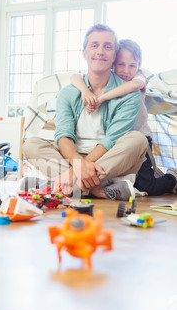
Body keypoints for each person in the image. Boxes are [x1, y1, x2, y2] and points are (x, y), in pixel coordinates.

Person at [21, 24, 148, 201]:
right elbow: (63, 135)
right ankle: (97, 189)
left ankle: (60, 183)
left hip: (109, 158)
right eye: (94, 45)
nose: (100, 51)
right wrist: (78, 162)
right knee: (31, 144)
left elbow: (112, 139)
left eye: (107, 46)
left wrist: (76, 170)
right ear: (84, 53)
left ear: (114, 55)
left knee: (138, 140)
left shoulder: (129, 94)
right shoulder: (68, 92)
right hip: (73, 157)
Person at [71, 39, 177, 195]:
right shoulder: (109, 77)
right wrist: (86, 92)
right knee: (118, 174)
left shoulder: (138, 78)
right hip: (115, 140)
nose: (126, 70)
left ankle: (172, 177)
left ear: (138, 66)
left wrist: (101, 98)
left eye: (132, 65)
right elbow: (75, 77)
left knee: (145, 186)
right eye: (121, 64)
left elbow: (134, 86)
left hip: (139, 140)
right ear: (113, 63)